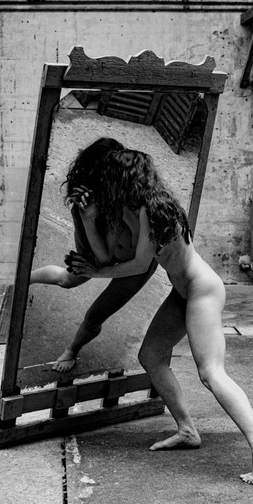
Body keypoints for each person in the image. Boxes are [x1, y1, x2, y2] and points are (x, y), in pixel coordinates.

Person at [66, 148, 253, 485]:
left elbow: (139, 265)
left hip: (202, 290)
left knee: (211, 373)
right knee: (151, 355)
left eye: (107, 180)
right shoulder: (138, 207)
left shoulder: (148, 211)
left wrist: (94, 272)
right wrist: (87, 217)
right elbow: (117, 253)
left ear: (121, 180)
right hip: (184, 292)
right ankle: (187, 430)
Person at [29, 138, 157, 372]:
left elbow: (121, 262)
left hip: (136, 265)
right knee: (67, 280)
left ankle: (72, 350)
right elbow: (95, 256)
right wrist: (83, 216)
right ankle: (23, 279)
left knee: (94, 316)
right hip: (107, 252)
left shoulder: (130, 201)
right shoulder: (94, 198)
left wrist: (96, 268)